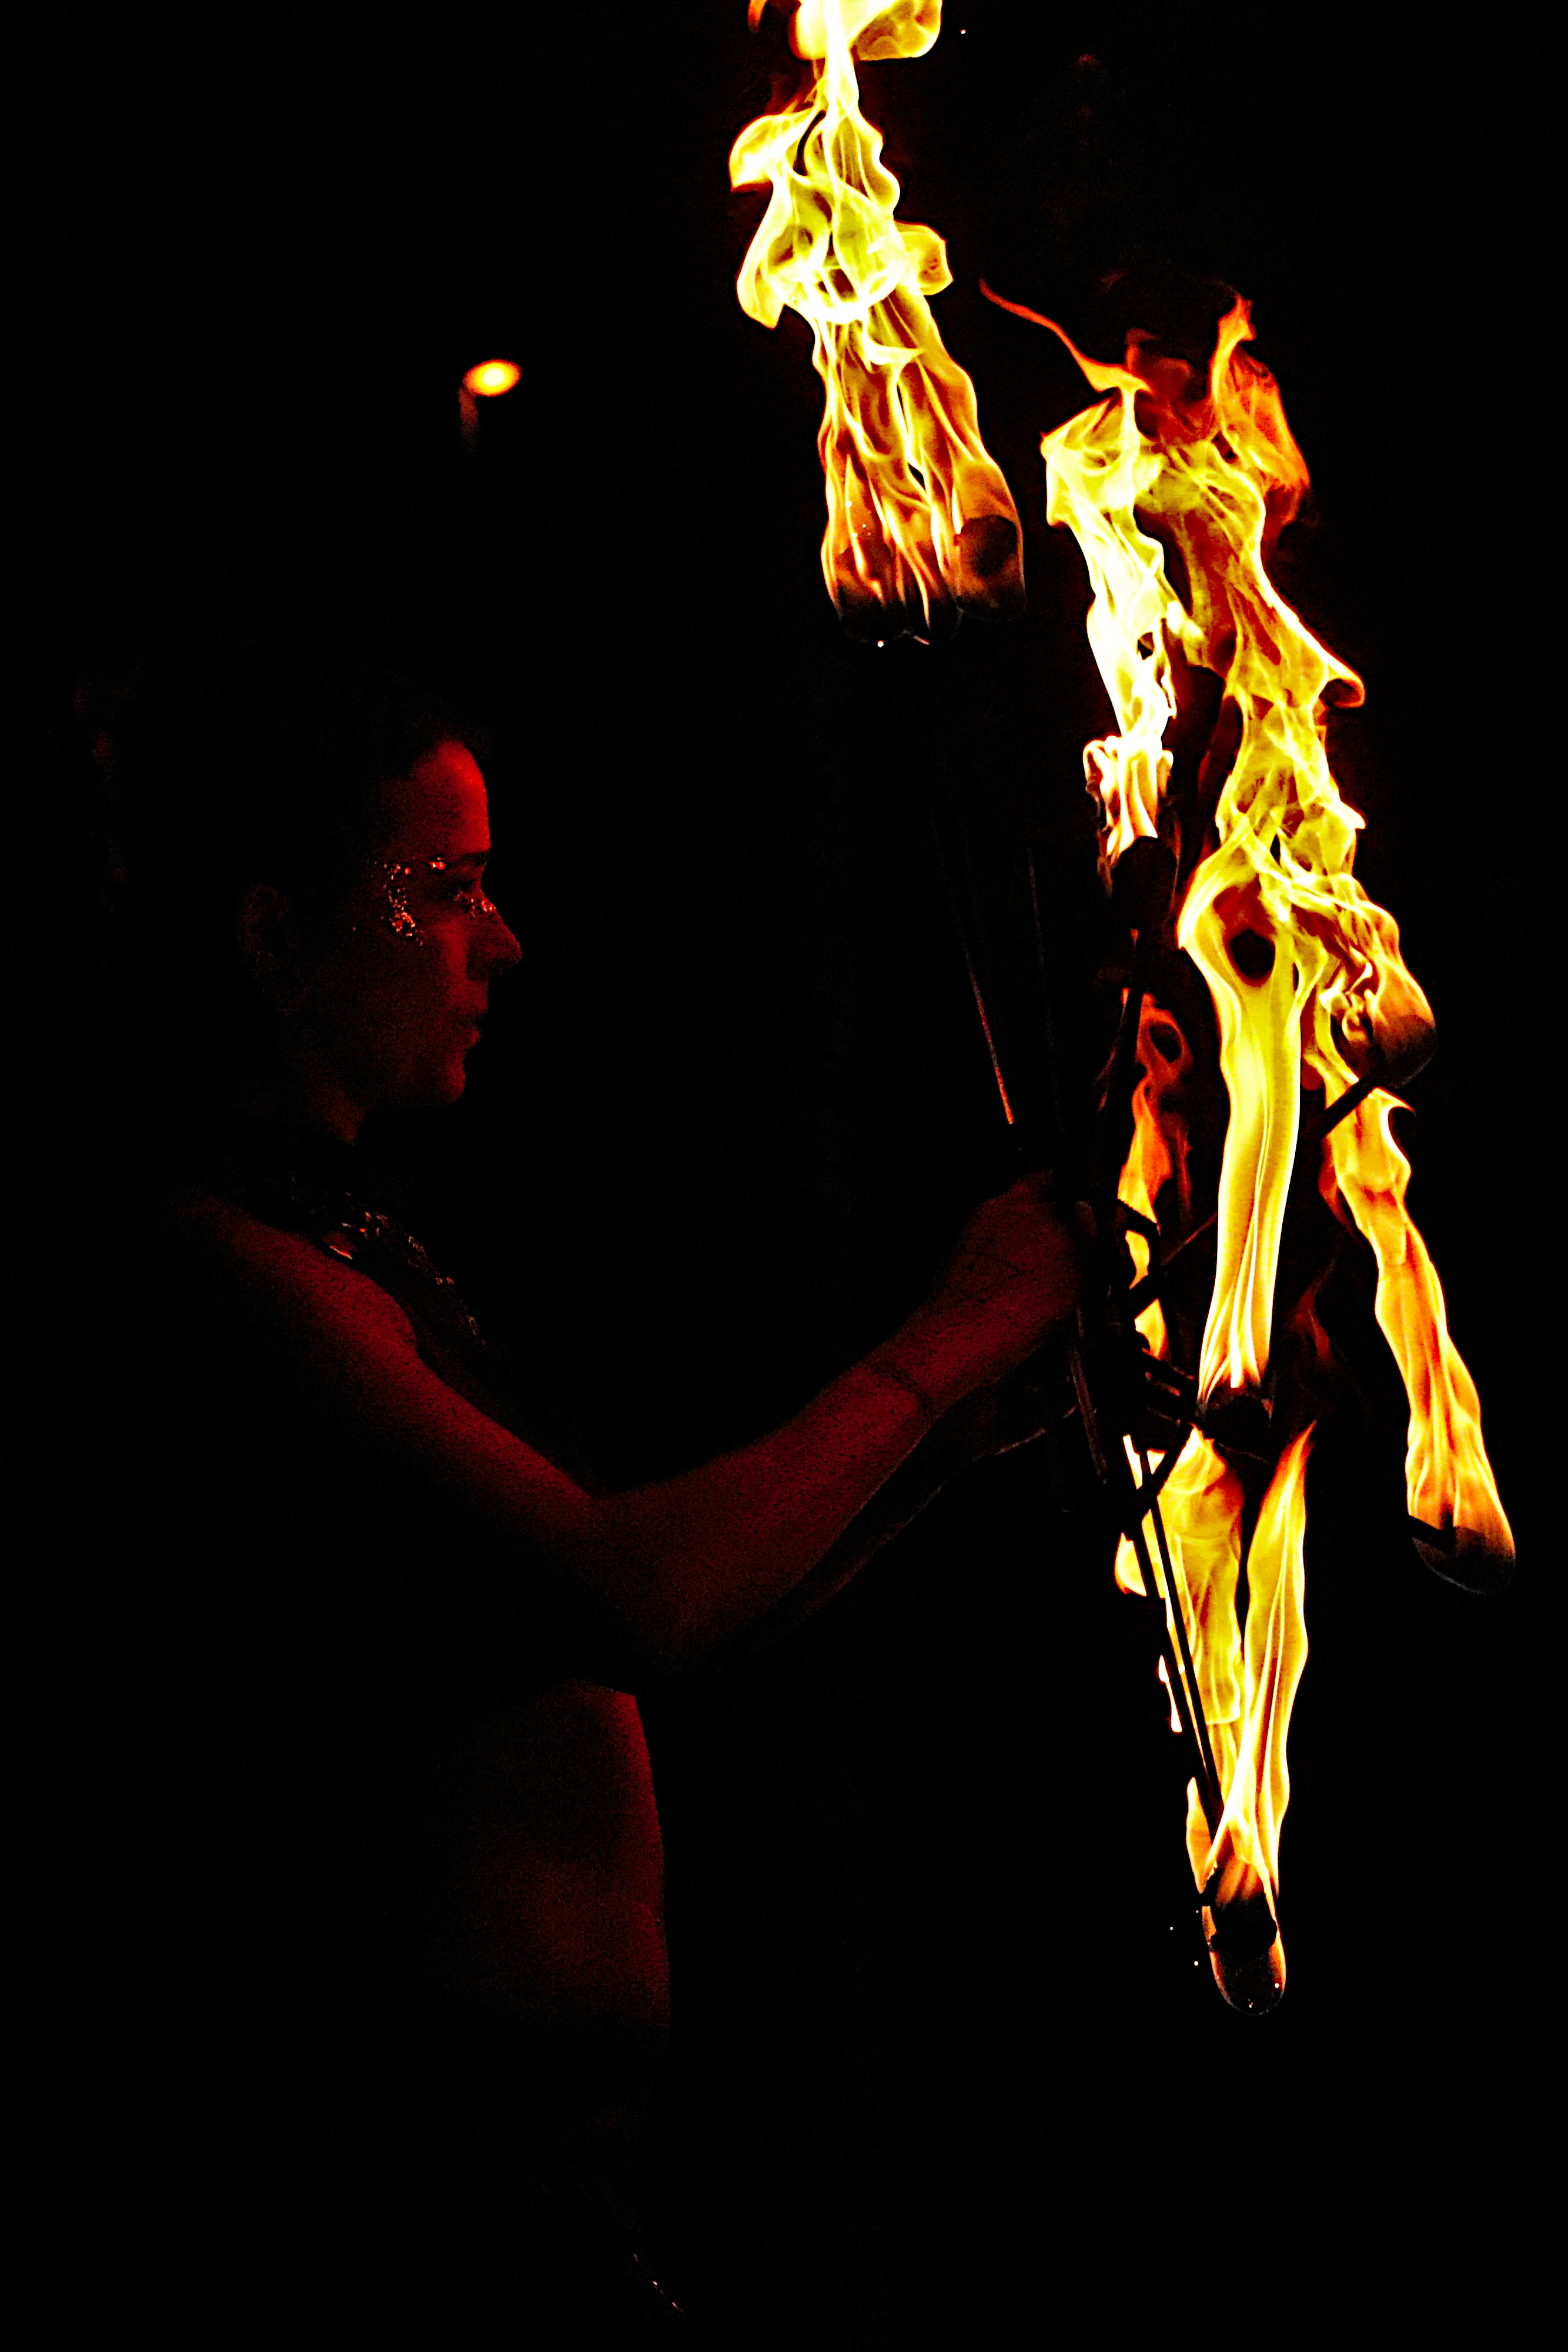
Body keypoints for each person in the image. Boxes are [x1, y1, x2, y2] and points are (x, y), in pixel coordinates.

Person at [81, 650, 1082, 2330]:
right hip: (391, 2209)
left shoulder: (364, 1253)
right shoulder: (220, 1273)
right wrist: (947, 1338)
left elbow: (617, 1652)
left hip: (541, 2189)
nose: (505, 943)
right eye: (446, 893)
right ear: (271, 937)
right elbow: (632, 1595)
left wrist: (954, 1434)